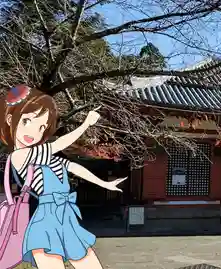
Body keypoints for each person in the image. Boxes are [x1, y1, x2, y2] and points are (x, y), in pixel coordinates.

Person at [0, 85, 127, 269]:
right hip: (45, 223)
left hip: (67, 220)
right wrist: (86, 124)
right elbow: (57, 144)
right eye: (28, 121)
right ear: (10, 120)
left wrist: (105, 184)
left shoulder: (43, 157)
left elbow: (71, 166)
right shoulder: (19, 156)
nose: (34, 132)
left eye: (42, 127)